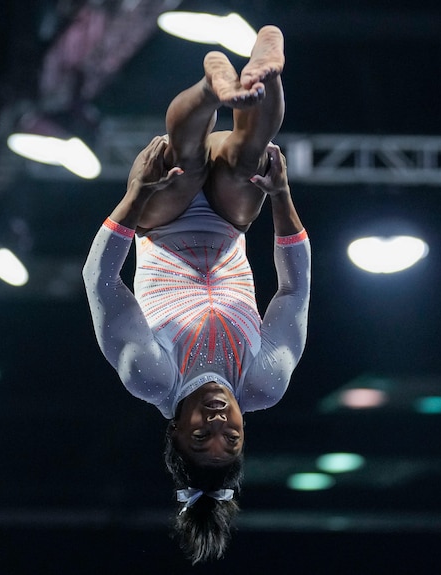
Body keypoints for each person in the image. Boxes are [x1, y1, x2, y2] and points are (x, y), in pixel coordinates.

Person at [82, 26, 310, 563]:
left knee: (180, 163)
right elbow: (294, 291)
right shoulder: (264, 380)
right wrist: (281, 196)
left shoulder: (150, 375)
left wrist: (135, 195)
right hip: (231, 224)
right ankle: (262, 70)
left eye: (199, 438)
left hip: (161, 225)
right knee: (249, 157)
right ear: (243, 432)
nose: (217, 424)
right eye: (229, 440)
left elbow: (100, 280)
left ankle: (214, 88)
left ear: (175, 433)